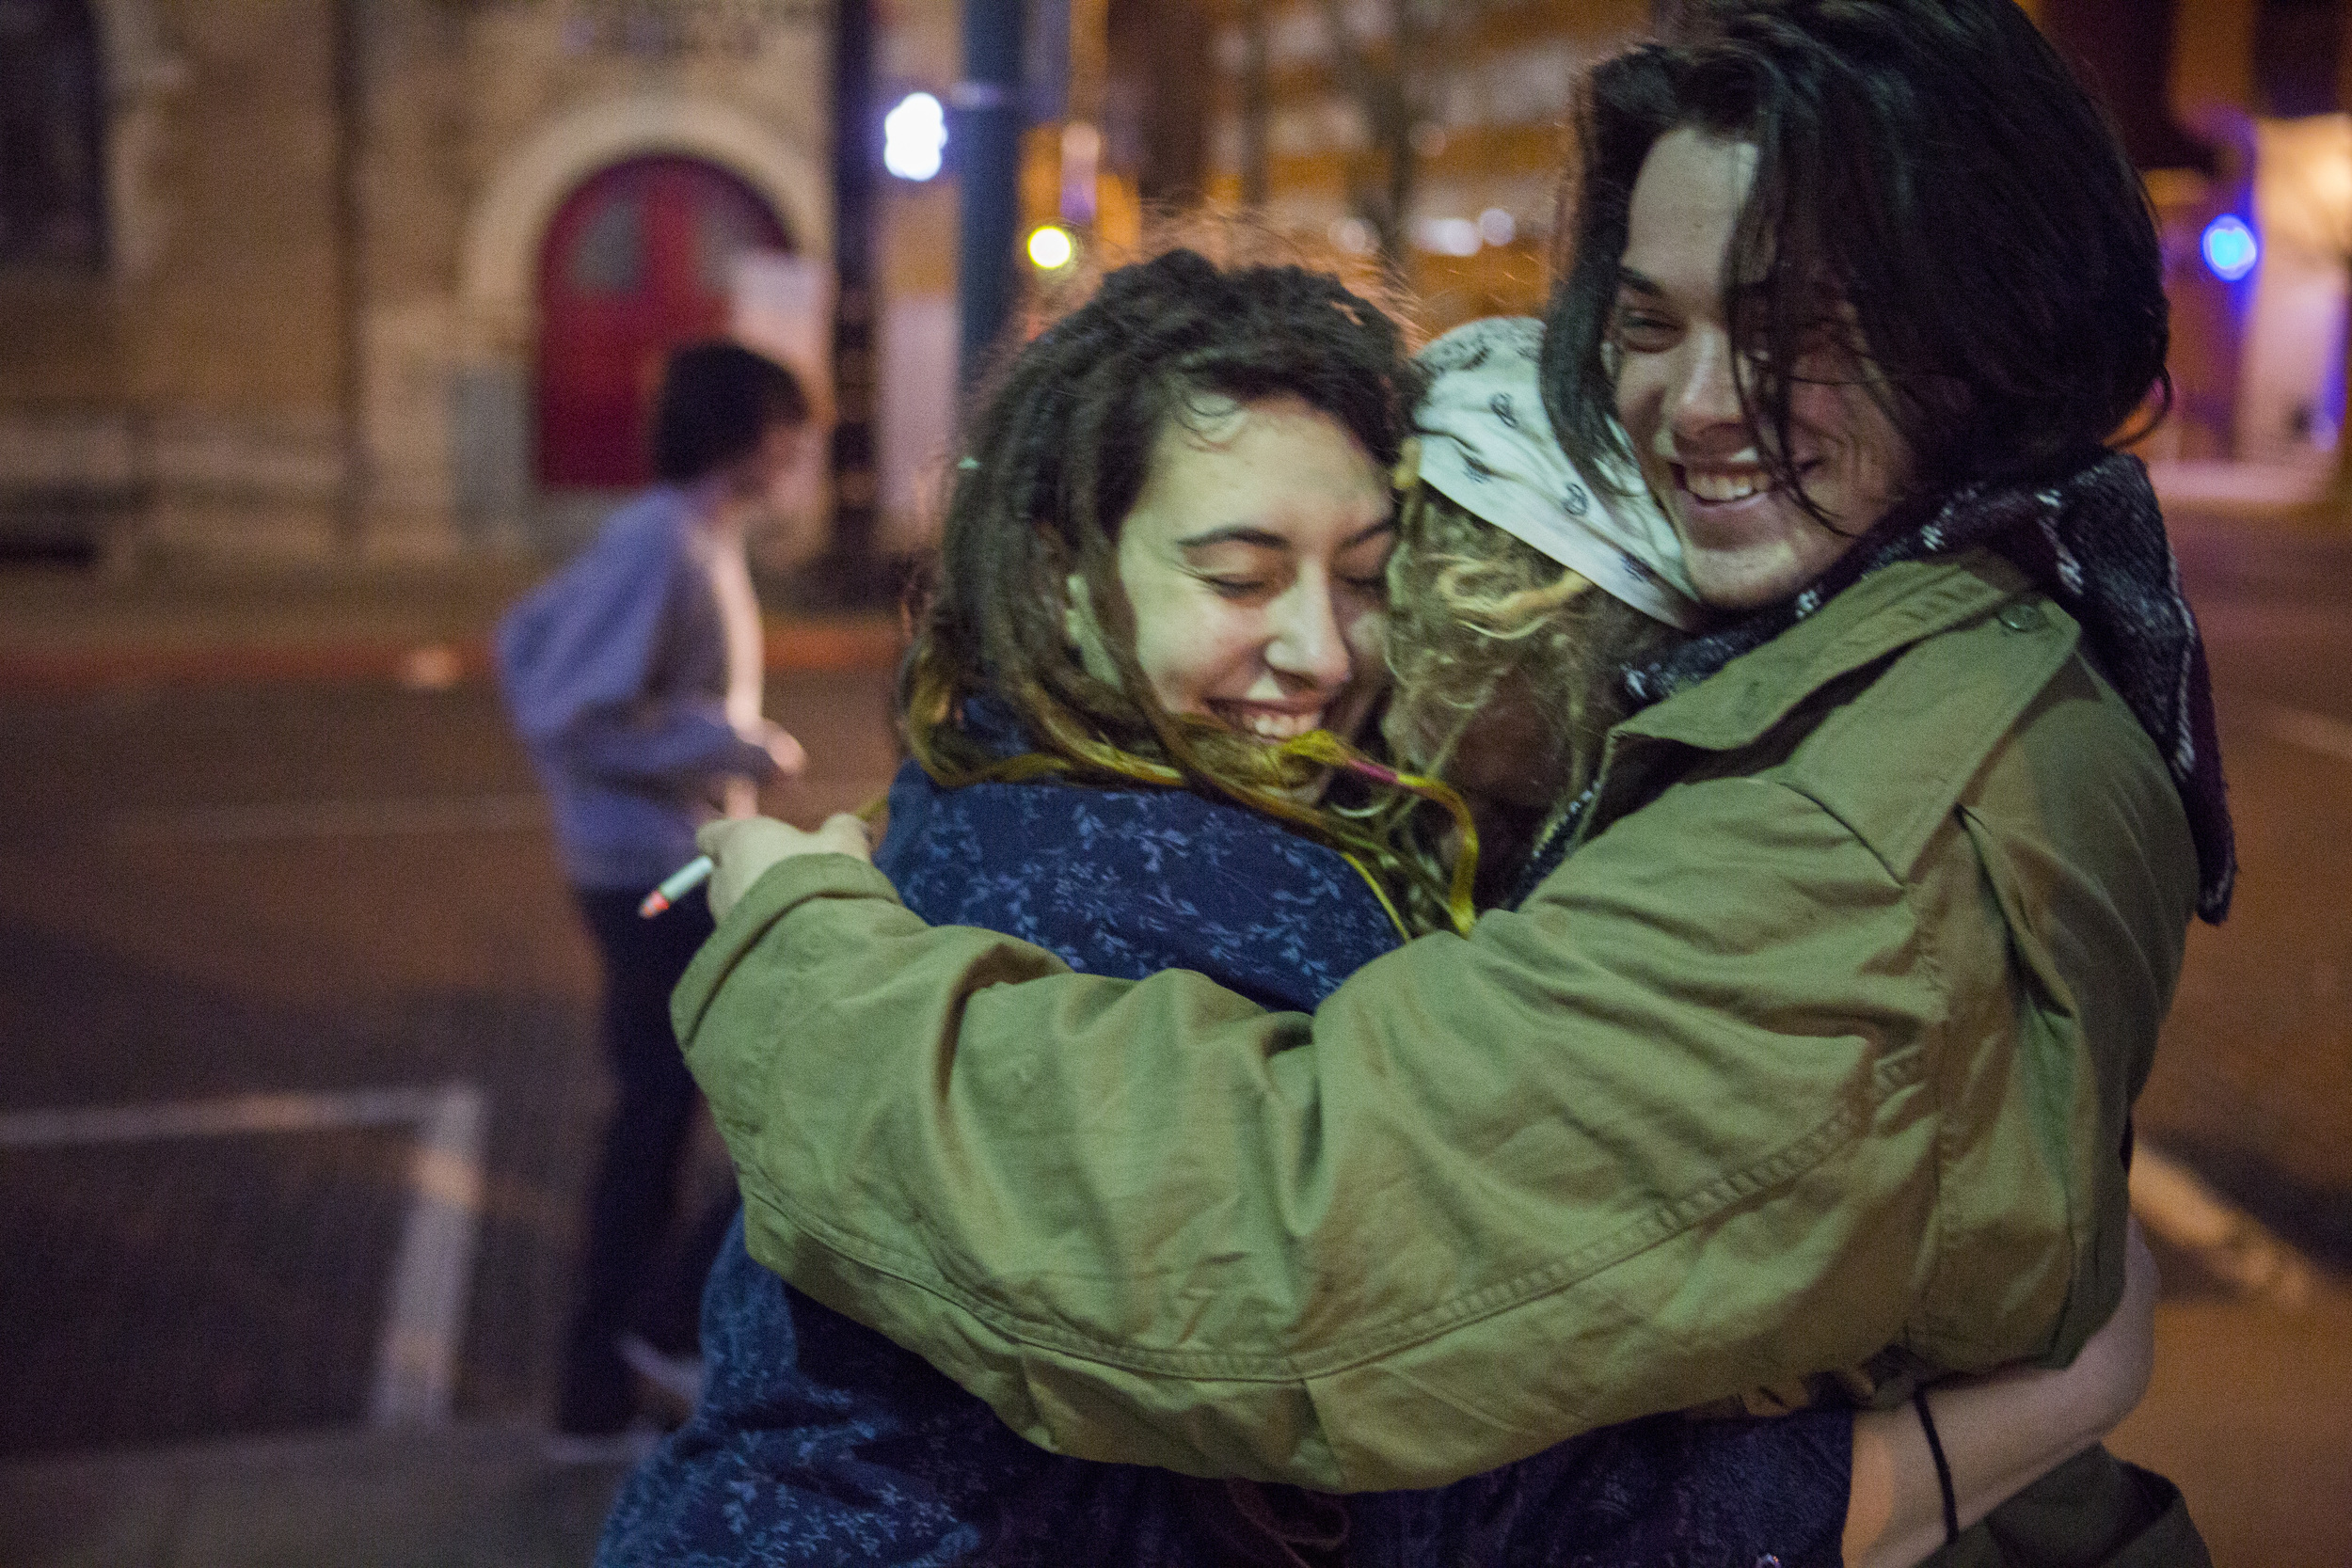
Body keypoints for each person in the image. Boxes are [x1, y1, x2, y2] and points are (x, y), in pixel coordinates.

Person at [679, 3, 2227, 1563]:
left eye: (1797, 333)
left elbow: (1292, 1259)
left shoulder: (1885, 811)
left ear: (1997, 319)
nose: (1696, 405)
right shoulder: (1864, 641)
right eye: (1646, 323)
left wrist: (799, 959)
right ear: (1060, 571)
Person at [495, 341, 816, 1442]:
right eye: (787, 423)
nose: (799, 447)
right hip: (655, 870)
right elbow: (570, 708)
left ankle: (604, 1381)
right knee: (734, 1092)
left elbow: (524, 636)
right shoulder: (661, 541)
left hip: (665, 859)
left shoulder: (686, 537)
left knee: (672, 1100)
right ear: (746, 431)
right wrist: (731, 744)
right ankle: (657, 1326)